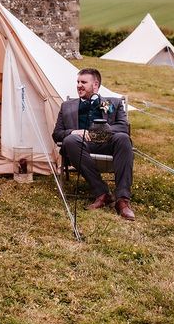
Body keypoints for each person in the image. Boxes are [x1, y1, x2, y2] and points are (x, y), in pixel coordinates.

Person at [52, 68, 135, 221]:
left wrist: (101, 131)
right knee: (70, 140)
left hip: (108, 144)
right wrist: (73, 132)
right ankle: (102, 193)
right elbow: (57, 134)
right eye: (77, 82)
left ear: (95, 85)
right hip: (79, 146)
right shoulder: (67, 106)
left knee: (123, 138)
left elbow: (123, 127)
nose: (79, 85)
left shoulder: (113, 103)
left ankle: (122, 200)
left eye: (83, 82)